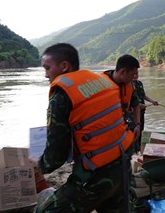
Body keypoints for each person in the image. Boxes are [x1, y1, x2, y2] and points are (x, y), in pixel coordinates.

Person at [34, 43, 135, 212]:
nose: (46, 75)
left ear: (64, 66)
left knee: (45, 210)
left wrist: (38, 166)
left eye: (47, 68)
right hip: (123, 166)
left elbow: (56, 156)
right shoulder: (103, 82)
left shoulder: (61, 96)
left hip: (96, 176)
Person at [102, 54, 142, 142]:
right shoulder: (101, 85)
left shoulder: (129, 85)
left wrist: (137, 124)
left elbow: (136, 104)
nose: (134, 78)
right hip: (107, 134)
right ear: (123, 72)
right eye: (132, 74)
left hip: (123, 130)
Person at [133, 72, 159, 152]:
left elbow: (143, 95)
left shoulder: (139, 83)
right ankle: (135, 150)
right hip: (134, 113)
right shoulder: (129, 85)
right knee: (135, 130)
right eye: (134, 74)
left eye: (137, 73)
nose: (136, 75)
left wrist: (152, 101)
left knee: (141, 130)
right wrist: (139, 105)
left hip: (142, 111)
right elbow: (130, 101)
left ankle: (139, 149)